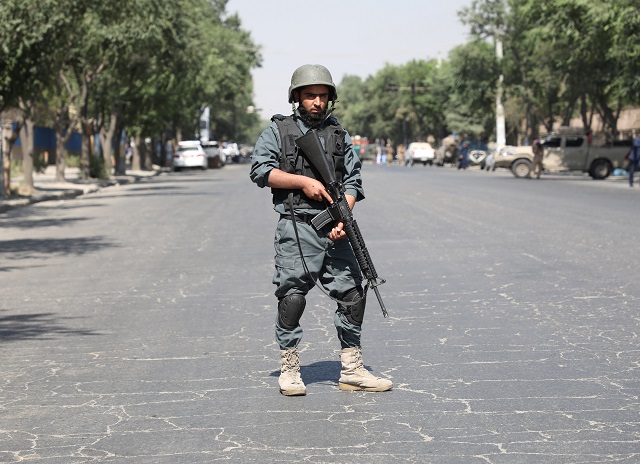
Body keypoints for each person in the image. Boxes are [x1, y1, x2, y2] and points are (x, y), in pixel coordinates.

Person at [249, 64, 392, 396]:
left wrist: (343, 217)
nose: (317, 101)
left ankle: (353, 370)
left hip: (335, 228)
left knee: (354, 295)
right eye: (310, 95)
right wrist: (303, 183)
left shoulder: (340, 135)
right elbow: (260, 171)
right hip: (297, 227)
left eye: (322, 96)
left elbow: (353, 181)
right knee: (293, 297)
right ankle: (290, 370)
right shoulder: (279, 131)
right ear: (297, 97)